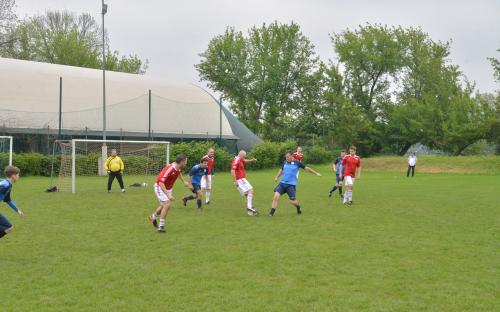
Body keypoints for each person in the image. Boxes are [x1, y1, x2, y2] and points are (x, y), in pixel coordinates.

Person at [269, 152, 321, 217]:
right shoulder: (285, 162)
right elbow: (281, 170)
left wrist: (316, 173)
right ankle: (271, 213)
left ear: (291, 156)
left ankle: (298, 207)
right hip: (282, 183)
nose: (286, 158)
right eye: (286, 157)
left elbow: (307, 168)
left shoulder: (297, 163)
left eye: (288, 157)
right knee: (276, 197)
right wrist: (277, 177)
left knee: (292, 201)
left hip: (291, 185)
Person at [148, 154, 189, 233]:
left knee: (163, 205)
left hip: (168, 188)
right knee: (167, 205)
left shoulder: (178, 167)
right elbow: (160, 182)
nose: (186, 163)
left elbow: (178, 173)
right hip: (160, 187)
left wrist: (183, 181)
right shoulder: (170, 168)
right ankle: (161, 226)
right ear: (181, 162)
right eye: (185, 162)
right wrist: (168, 195)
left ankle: (153, 217)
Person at [231, 150, 258, 216]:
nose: (244, 158)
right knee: (251, 189)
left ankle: (250, 211)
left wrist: (252, 160)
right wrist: (235, 181)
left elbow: (245, 161)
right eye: (244, 156)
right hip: (240, 179)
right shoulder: (236, 160)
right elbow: (232, 171)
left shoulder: (240, 159)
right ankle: (249, 207)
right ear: (240, 155)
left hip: (241, 179)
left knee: (246, 194)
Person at [0, 166, 24, 240]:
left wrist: (18, 210)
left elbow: (7, 200)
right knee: (9, 227)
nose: (18, 176)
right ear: (13, 175)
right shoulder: (5, 185)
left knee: (9, 228)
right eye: (18, 175)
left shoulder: (8, 185)